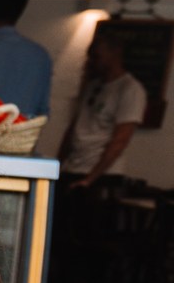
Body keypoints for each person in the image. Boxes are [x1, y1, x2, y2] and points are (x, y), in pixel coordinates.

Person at [58, 32, 146, 191]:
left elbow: (121, 139)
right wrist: (58, 165)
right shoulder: (93, 86)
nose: (91, 61)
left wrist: (91, 179)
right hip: (72, 167)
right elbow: (74, 129)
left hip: (100, 175)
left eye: (96, 56)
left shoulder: (130, 89)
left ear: (115, 54)